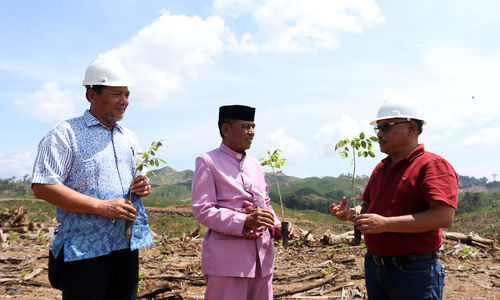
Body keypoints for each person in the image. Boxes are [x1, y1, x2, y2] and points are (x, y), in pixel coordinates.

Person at [31, 56, 154, 300]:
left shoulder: (128, 137)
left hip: (125, 247)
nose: (125, 102)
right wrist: (100, 206)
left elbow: (136, 179)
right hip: (85, 251)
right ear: (92, 95)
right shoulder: (65, 133)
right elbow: (43, 185)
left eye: (127, 94)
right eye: (117, 94)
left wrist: (143, 185)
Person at [329, 99, 458, 300]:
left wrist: (386, 224)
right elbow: (368, 207)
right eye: (378, 129)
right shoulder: (381, 168)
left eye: (386, 127)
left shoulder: (432, 165)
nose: (379, 134)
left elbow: (443, 216)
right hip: (376, 266)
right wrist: (351, 214)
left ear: (411, 128)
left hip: (414, 271)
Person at [191, 105, 295, 300]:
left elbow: (265, 204)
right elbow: (202, 210)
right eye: (245, 127)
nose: (252, 132)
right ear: (226, 130)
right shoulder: (207, 161)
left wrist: (277, 226)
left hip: (262, 258)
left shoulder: (256, 165)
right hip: (228, 261)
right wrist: (244, 220)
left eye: (253, 127)